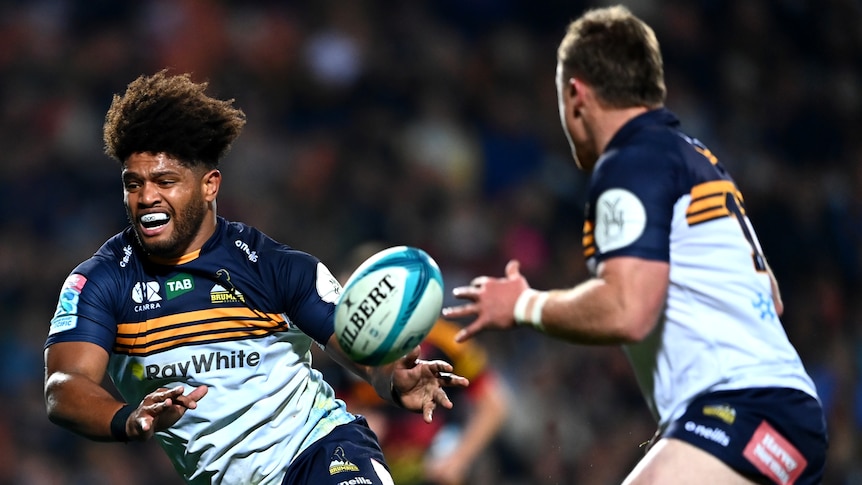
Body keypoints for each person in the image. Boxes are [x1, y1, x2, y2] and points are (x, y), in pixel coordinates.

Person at [443, 5, 827, 485]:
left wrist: (524, 305)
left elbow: (628, 310)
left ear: (576, 94)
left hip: (741, 408)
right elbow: (769, 294)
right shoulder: (693, 156)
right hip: (775, 410)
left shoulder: (632, 161)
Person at [43, 70, 468, 485]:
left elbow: (357, 345)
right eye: (132, 184)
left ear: (210, 185)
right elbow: (64, 387)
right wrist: (128, 418)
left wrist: (394, 378)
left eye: (165, 181)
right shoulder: (101, 282)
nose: (146, 197)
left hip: (320, 451)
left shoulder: (273, 266)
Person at [321, 242, 510, 485]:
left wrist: (459, 458)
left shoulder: (443, 341)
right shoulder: (340, 354)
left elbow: (494, 405)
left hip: (434, 471)